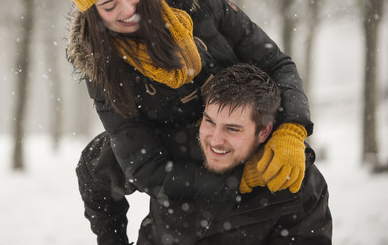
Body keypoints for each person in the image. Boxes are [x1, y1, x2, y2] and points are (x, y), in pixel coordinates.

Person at [56, 0, 313, 244]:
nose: (126, 9)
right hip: (175, 147)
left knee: (297, 177)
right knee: (96, 162)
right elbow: (144, 165)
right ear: (93, 15)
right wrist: (236, 181)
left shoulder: (197, 2)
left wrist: (292, 130)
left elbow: (276, 64)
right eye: (109, 6)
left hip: (239, 123)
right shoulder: (102, 68)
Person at [136, 63, 332, 244]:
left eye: (233, 129)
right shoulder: (167, 145)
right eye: (210, 122)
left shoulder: (296, 180)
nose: (215, 140)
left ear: (264, 131)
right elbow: (105, 178)